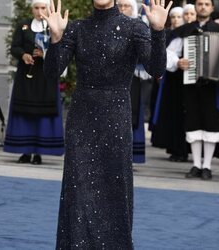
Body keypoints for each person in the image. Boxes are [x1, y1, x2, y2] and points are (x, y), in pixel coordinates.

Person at [41, 0, 172, 248]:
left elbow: (156, 68)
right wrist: (56, 38)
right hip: (82, 118)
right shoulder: (76, 28)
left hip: (116, 117)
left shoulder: (134, 28)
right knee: (78, 189)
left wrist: (157, 31)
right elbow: (52, 72)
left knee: (114, 189)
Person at [167, 0, 219, 180]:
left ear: (212, 8)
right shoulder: (185, 31)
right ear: (196, 7)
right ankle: (196, 164)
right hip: (191, 84)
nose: (202, 7)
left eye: (206, 4)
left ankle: (207, 166)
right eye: (200, 3)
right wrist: (178, 62)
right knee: (192, 122)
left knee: (211, 123)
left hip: (214, 86)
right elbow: (170, 52)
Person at [3, 0, 64, 164]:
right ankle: (25, 152)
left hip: (45, 78)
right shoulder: (23, 25)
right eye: (36, 8)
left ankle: (39, 153)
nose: (39, 11)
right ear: (32, 9)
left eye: (42, 8)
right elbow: (14, 47)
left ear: (48, 8)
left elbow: (62, 51)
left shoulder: (54, 28)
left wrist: (45, 54)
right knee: (25, 113)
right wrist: (23, 55)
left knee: (42, 114)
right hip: (26, 76)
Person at [151, 6, 187, 162]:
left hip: (184, 80)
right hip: (170, 79)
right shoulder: (168, 34)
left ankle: (182, 149)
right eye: (174, 17)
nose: (176, 20)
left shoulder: (188, 32)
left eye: (180, 17)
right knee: (171, 113)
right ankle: (173, 147)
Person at [118, 0, 150, 164]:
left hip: (134, 78)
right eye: (120, 6)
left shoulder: (139, 26)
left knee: (133, 115)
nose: (123, 9)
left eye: (127, 6)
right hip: (113, 79)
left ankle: (130, 156)